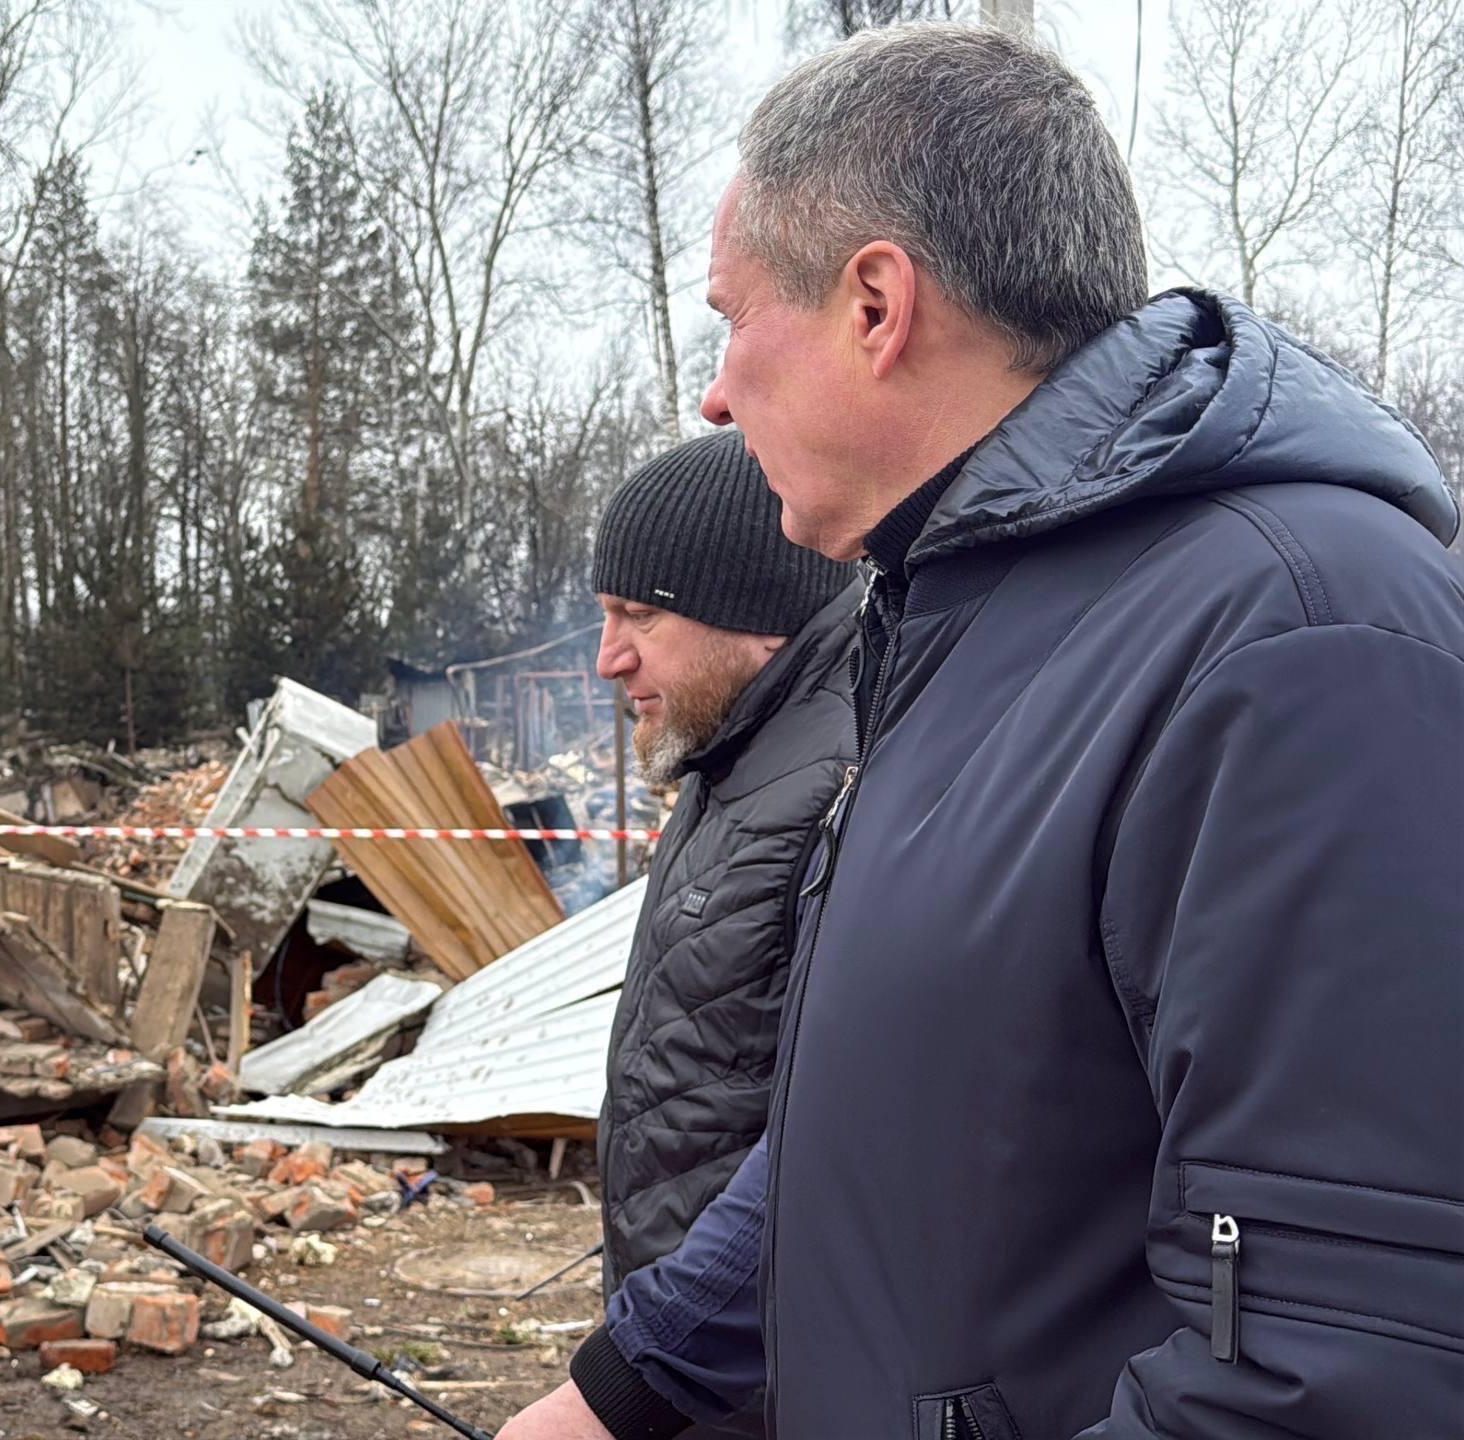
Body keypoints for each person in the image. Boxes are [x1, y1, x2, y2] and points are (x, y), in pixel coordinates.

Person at [501, 22, 1463, 1440]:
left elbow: (1339, 1373)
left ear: (875, 306)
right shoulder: (961, 629)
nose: (713, 392)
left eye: (730, 314)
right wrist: (634, 1382)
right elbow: (887, 1117)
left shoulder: (1300, 628)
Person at [586, 432, 855, 1439]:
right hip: (701, 1377)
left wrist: (654, 1364)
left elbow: (840, 1136)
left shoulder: (840, 778)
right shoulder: (733, 764)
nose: (608, 656)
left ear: (754, 615)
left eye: (638, 615)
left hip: (764, 1385)